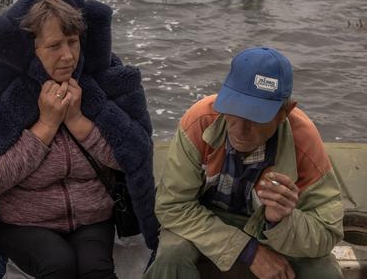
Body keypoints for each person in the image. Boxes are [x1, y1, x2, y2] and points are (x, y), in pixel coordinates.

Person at [0, 0, 160, 279]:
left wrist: (79, 121)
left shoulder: (107, 81)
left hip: (92, 216)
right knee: (57, 266)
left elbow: (134, 158)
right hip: (24, 221)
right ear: (31, 50)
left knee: (96, 270)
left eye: (73, 42)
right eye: (54, 46)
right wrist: (46, 126)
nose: (68, 56)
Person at [145, 47, 344, 279]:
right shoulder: (199, 121)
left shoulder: (304, 142)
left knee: (324, 272)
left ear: (285, 112)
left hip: (268, 230)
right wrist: (248, 251)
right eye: (234, 110)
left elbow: (327, 232)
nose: (240, 130)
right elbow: (172, 206)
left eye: (256, 117)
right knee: (171, 258)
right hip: (203, 218)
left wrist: (280, 221)